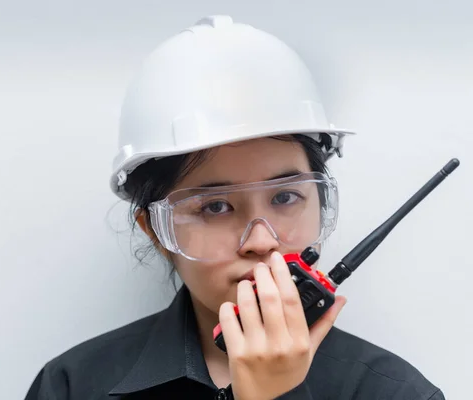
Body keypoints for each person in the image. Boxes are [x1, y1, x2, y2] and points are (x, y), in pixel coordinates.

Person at [24, 15, 445, 400]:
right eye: (216, 206)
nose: (262, 242)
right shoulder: (73, 386)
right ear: (156, 229)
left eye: (285, 197)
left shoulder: (396, 394)